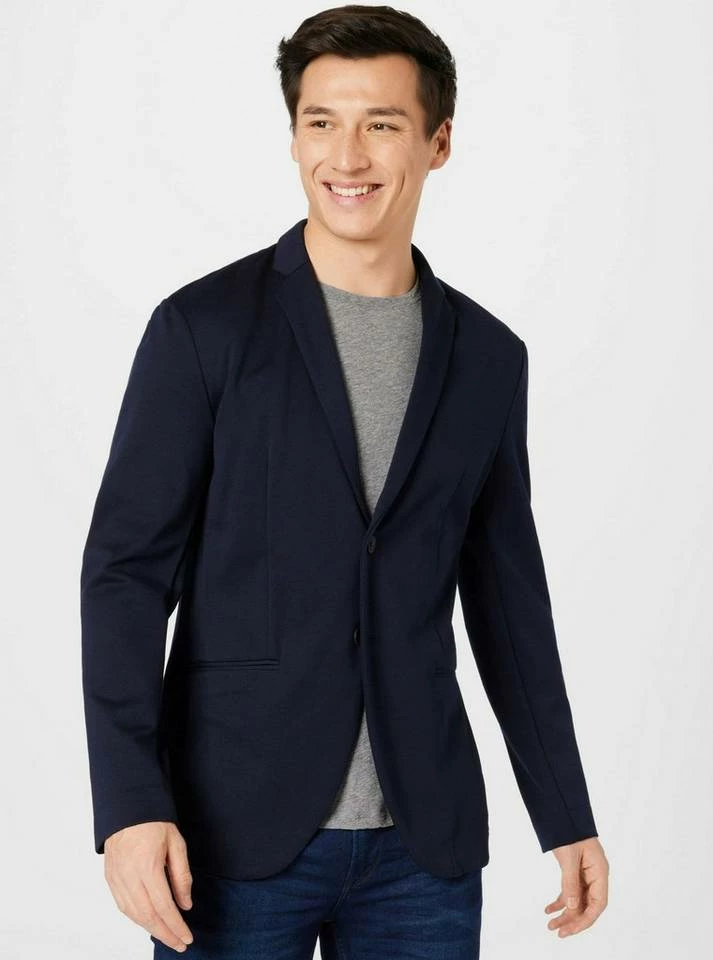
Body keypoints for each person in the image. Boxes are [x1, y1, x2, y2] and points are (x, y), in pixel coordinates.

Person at [80, 5, 609, 958]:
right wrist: (128, 806)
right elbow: (124, 576)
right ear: (293, 137)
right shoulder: (203, 330)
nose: (347, 155)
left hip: (423, 850)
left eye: (383, 124)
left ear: (438, 143)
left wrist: (564, 811)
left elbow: (508, 602)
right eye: (321, 121)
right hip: (229, 837)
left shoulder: (488, 358)